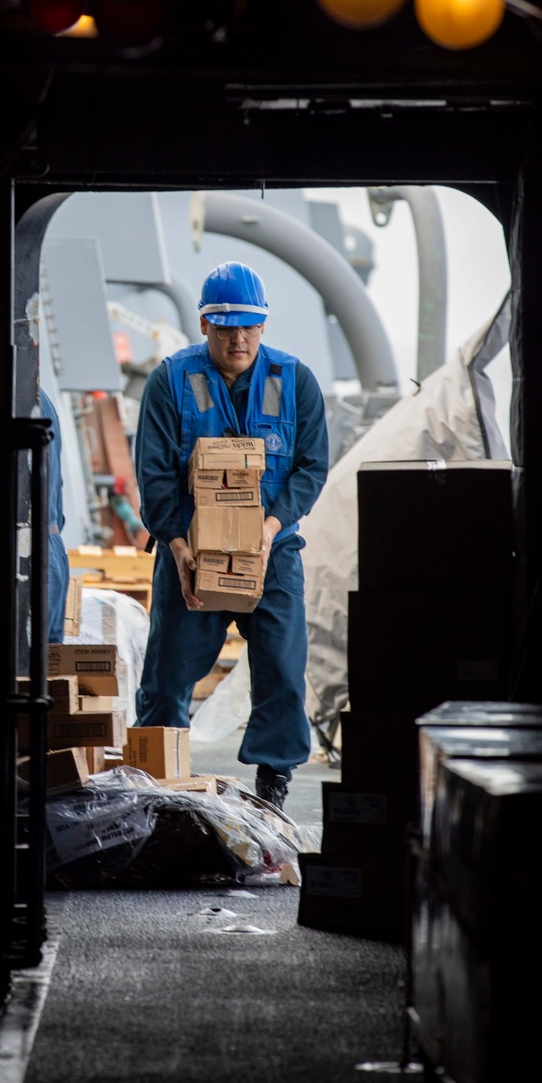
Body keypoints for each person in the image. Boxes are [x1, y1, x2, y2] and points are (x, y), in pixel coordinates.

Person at [134, 261, 328, 809]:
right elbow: (153, 474)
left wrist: (269, 530)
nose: (237, 338)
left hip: (274, 552)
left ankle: (272, 790)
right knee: (168, 675)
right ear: (203, 325)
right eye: (224, 327)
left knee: (283, 673)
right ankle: (159, 790)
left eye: (247, 326)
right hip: (190, 551)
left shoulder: (295, 382)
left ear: (264, 326)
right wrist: (177, 544)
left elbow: (311, 468)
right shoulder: (170, 380)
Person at [41, 387, 70, 643]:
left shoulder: (15, 397)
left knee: (20, 668)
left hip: (33, 553)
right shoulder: (43, 399)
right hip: (53, 546)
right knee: (45, 668)